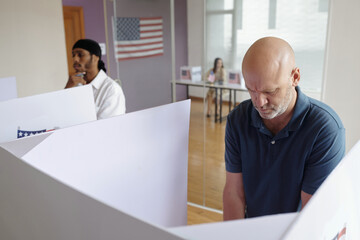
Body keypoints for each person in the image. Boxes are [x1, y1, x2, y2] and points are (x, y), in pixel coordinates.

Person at [223, 37, 345, 219]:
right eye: (251, 90)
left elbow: (312, 214)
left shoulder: (325, 129)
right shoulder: (238, 119)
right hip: (251, 229)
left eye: (270, 92)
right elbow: (234, 193)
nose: (259, 102)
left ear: (294, 77)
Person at [65, 39, 126, 119]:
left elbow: (109, 126)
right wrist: (66, 90)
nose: (75, 59)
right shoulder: (75, 86)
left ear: (95, 58)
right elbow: (63, 116)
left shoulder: (111, 89)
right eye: (73, 55)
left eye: (80, 55)